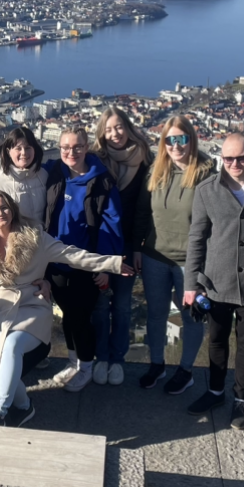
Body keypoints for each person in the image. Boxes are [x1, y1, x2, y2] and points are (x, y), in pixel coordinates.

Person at [0, 191, 132, 424]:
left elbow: (73, 255)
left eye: (5, 207)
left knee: (11, 346)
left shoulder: (35, 238)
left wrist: (113, 263)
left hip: (31, 307)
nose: (1, 213)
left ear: (13, 210)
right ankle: (24, 406)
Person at [182, 132, 244, 429]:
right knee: (217, 341)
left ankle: (241, 399)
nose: (235, 163)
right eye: (228, 158)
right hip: (216, 282)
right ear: (220, 159)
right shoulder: (206, 190)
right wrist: (190, 284)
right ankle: (214, 391)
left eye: (241, 157)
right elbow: (196, 238)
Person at [134, 115, 215, 392]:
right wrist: (136, 248)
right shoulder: (155, 172)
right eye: (170, 140)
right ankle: (157, 364)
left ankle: (186, 370)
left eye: (182, 139)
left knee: (191, 316)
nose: (176, 146)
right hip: (155, 256)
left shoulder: (206, 174)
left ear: (191, 139)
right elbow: (143, 214)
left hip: (190, 263)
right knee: (155, 315)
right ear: (163, 142)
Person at [45, 126, 123, 393]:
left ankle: (86, 367)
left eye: (77, 147)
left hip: (85, 263)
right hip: (55, 261)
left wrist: (105, 266)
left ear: (86, 147)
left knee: (81, 318)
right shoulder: (54, 172)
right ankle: (73, 361)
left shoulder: (101, 181)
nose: (71, 152)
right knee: (67, 315)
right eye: (65, 147)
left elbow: (110, 225)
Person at [89, 107, 151, 386]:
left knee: (123, 306)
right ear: (102, 133)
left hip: (126, 243)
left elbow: (142, 209)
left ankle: (117, 359)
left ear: (128, 127)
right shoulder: (95, 161)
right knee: (101, 305)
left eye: (119, 127)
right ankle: (101, 356)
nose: (114, 134)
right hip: (100, 244)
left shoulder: (144, 159)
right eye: (109, 129)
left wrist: (137, 247)